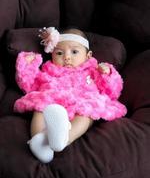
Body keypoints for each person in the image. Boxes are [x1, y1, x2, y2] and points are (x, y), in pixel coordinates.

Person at [14, 27, 127, 163]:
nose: (67, 57)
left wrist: (107, 74)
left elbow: (111, 91)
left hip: (83, 101)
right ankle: (40, 144)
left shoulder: (93, 70)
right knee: (40, 109)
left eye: (74, 52)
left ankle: (62, 139)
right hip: (53, 102)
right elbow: (29, 84)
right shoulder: (48, 70)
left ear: (88, 55)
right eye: (60, 53)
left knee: (86, 115)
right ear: (52, 55)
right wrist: (28, 64)